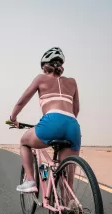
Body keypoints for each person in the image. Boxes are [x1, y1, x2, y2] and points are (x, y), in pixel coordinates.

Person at [9, 47, 81, 194]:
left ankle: (30, 180)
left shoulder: (41, 78)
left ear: (45, 66)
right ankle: (72, 211)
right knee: (66, 183)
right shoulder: (72, 82)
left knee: (24, 142)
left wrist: (13, 118)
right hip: (73, 125)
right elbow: (76, 110)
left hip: (51, 121)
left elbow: (21, 102)